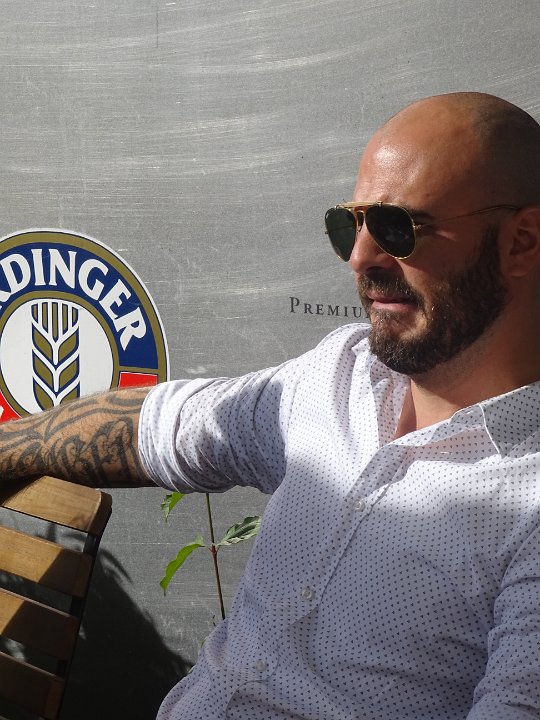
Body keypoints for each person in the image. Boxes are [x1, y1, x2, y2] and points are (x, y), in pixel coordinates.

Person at [2, 91, 540, 719]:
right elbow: (163, 426)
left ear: (522, 242)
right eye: (350, 226)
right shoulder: (340, 373)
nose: (361, 258)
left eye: (399, 228)